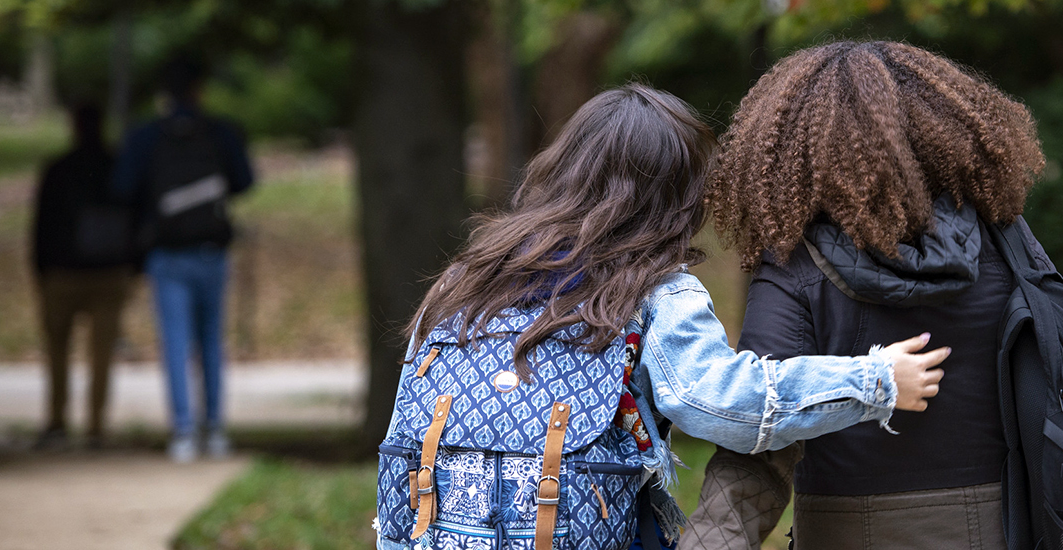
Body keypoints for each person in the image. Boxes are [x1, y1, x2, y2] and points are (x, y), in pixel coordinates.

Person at [381, 84, 950, 550]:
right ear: (678, 196)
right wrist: (872, 382)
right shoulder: (653, 290)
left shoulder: (470, 277)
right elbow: (725, 403)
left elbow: (405, 430)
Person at [684, 41, 1047, 550]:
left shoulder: (794, 268)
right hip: (1004, 527)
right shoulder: (1008, 246)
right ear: (942, 132)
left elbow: (761, 436)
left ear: (790, 154)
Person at [113, 57, 255, 462]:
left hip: (166, 253)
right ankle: (215, 429)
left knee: (176, 342)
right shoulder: (220, 132)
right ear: (198, 89)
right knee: (211, 341)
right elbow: (245, 181)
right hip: (212, 250)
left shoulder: (146, 136)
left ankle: (184, 431)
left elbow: (123, 187)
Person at [31, 104, 137, 449]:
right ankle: (95, 425)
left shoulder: (59, 169)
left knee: (58, 350)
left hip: (63, 273)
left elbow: (41, 226)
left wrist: (40, 269)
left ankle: (58, 421)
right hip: (108, 272)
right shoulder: (116, 166)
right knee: (101, 352)